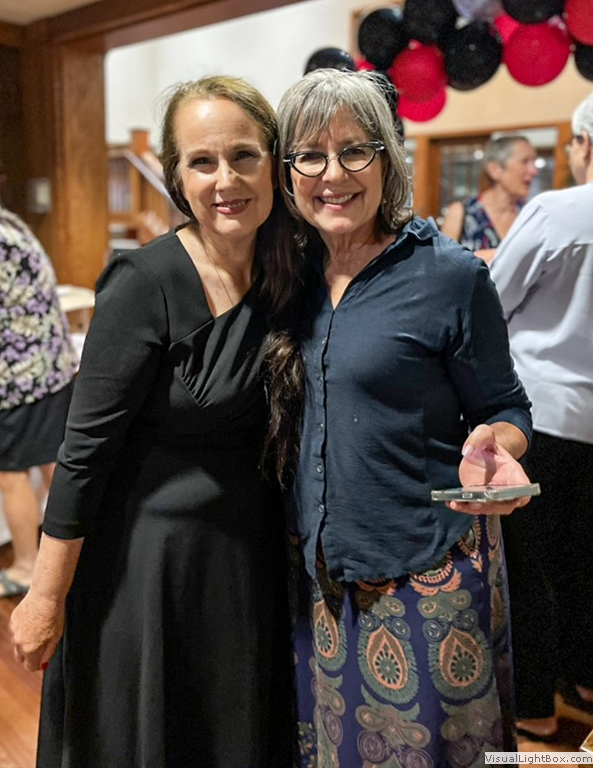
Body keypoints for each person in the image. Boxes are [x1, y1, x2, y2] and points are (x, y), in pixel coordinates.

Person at [9, 75, 297, 768]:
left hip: (250, 557)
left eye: (244, 155)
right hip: (150, 569)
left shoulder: (289, 269)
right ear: (177, 177)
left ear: (273, 162)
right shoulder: (144, 282)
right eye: (202, 162)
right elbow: (83, 453)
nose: (225, 179)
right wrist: (44, 595)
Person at [273, 68, 533, 767]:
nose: (333, 174)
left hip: (427, 567)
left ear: (387, 157)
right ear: (288, 171)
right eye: (310, 156)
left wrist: (498, 447)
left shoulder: (450, 275)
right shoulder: (287, 274)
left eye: (355, 151)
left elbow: (506, 408)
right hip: (322, 573)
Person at [489, 87, 593, 743]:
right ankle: (588, 680)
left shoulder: (560, 212)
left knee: (530, 567)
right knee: (589, 559)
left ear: (584, 145)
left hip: (546, 414)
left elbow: (491, 298)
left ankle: (534, 706)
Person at [0, 194, 77, 597]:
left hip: (21, 373)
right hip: (50, 363)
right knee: (53, 462)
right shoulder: (9, 224)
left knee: (12, 474)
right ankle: (78, 549)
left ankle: (27, 565)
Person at [441, 134, 538, 264]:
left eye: (533, 162)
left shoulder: (530, 215)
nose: (534, 171)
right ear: (495, 170)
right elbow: (443, 267)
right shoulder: (462, 213)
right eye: (524, 162)